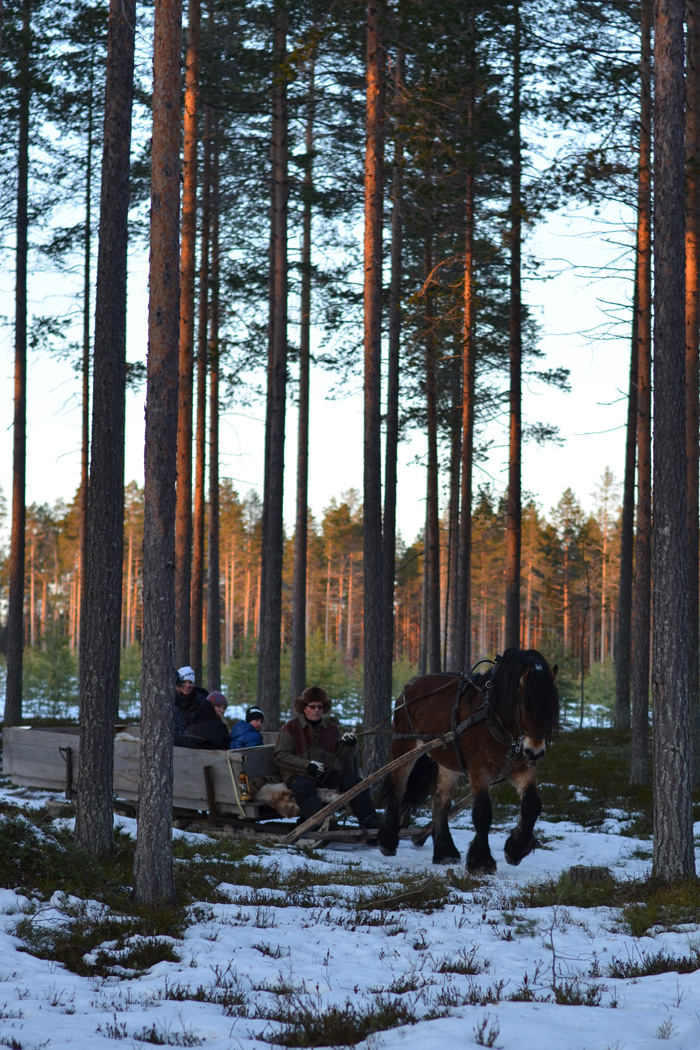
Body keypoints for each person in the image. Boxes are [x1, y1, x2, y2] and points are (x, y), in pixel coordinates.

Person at [274, 685, 380, 828]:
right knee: (304, 786)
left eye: (320, 707)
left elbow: (343, 755)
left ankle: (370, 820)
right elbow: (280, 756)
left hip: (326, 774)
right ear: (303, 707)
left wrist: (350, 745)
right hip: (299, 775)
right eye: (312, 706)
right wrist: (307, 766)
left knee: (354, 781)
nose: (317, 710)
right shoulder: (290, 728)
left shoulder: (332, 729)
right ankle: (321, 822)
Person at [174, 667, 230, 749]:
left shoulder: (201, 699)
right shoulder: (173, 700)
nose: (187, 685)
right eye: (184, 682)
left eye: (190, 682)